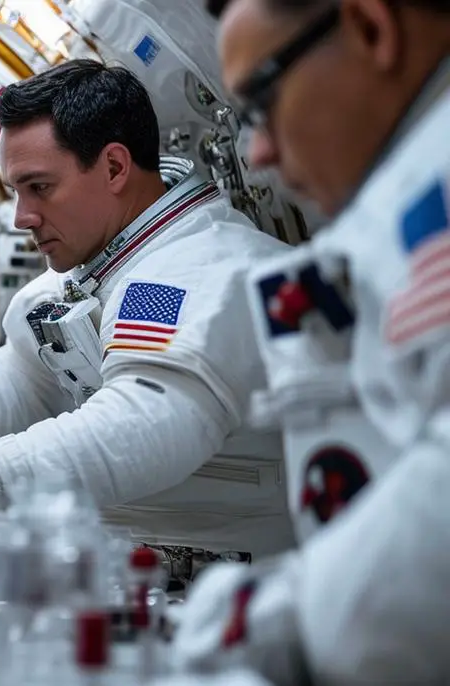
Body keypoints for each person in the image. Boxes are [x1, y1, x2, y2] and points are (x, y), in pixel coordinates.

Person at [0, 59, 296, 562]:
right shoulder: (97, 268)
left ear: (114, 167)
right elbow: (26, 381)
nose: (23, 217)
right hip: (144, 571)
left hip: (249, 579)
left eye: (39, 188)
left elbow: (139, 427)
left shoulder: (195, 270)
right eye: (15, 192)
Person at [168, 1, 450, 684]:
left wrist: (279, 620)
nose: (257, 154)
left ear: (370, 28)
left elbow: (156, 411)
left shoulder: (178, 272)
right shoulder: (80, 289)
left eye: (261, 103)